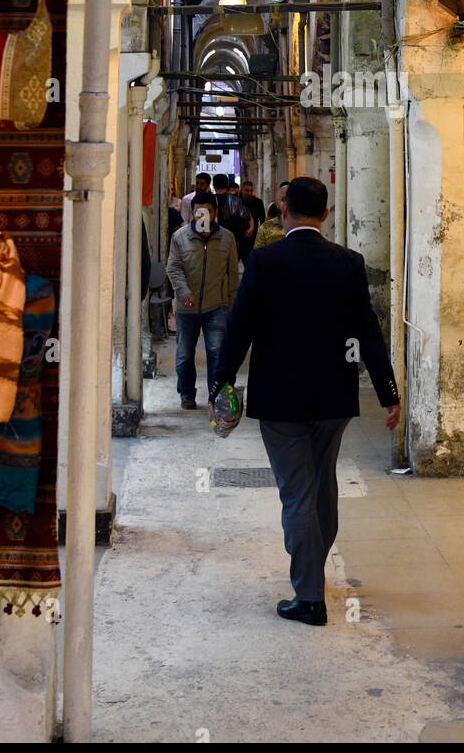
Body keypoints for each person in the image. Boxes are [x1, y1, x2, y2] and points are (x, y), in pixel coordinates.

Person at [210, 176, 400, 626]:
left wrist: (222, 381)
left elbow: (240, 325)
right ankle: (314, 570)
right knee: (322, 485)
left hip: (280, 398)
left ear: (284, 210)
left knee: (297, 492)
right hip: (334, 396)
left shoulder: (265, 260)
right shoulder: (348, 262)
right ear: (326, 214)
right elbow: (368, 330)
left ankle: (310, 597)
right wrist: (388, 392)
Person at [166, 193, 239, 409]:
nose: (203, 216)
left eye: (207, 211)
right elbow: (173, 267)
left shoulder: (227, 238)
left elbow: (232, 274)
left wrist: (232, 304)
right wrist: (183, 291)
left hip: (217, 306)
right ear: (192, 212)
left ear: (215, 213)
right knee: (184, 355)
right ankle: (187, 393)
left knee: (216, 353)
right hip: (186, 307)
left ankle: (215, 397)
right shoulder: (180, 237)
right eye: (199, 211)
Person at [212, 173, 253, 257]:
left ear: (214, 185)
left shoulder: (208, 199)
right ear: (227, 185)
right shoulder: (236, 201)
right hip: (231, 240)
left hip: (211, 240)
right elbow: (245, 220)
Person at [254, 181, 288, 248]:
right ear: (277, 202)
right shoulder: (265, 228)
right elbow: (258, 251)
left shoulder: (299, 227)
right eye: (283, 199)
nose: (286, 203)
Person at [239, 180, 266, 263]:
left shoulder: (258, 202)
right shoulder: (237, 201)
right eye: (247, 190)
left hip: (252, 238)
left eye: (251, 190)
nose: (249, 193)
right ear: (242, 190)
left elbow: (262, 220)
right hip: (238, 237)